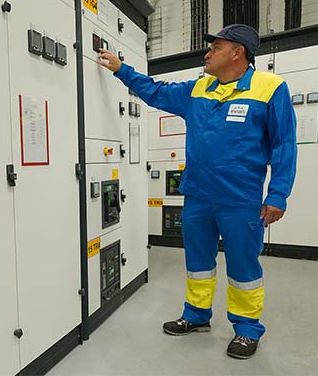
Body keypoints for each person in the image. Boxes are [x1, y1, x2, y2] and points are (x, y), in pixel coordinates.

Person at [98, 24, 297, 359]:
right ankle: (196, 315)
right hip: (198, 197)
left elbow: (283, 145)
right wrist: (122, 70)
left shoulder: (270, 88)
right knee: (198, 262)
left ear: (237, 52)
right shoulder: (199, 89)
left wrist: (277, 195)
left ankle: (247, 328)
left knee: (243, 266)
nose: (207, 53)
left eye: (215, 47)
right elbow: (156, 92)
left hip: (241, 200)